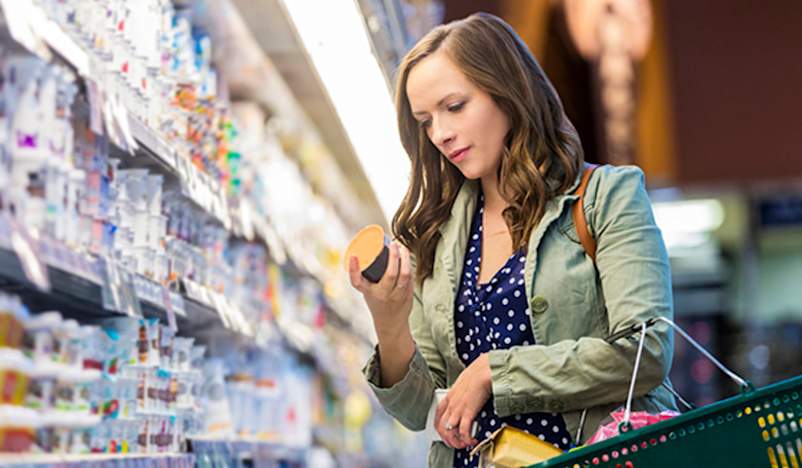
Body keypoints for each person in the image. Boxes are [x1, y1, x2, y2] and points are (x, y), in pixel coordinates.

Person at [347, 12, 678, 468]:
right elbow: (418, 406)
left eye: (455, 106)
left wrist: (493, 372)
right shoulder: (437, 234)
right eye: (425, 121)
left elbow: (645, 350)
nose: (440, 134)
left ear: (507, 92)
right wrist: (388, 320)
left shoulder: (606, 197)